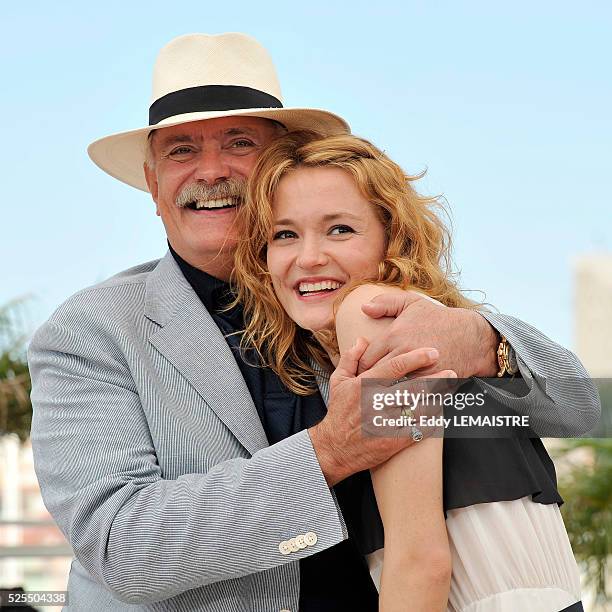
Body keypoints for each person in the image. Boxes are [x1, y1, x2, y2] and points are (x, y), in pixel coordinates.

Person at [27, 33, 599, 610]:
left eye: (239, 142)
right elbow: (123, 547)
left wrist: (482, 342)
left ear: (277, 165)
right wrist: (330, 450)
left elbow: (579, 406)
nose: (211, 171)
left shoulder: (353, 304)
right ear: (154, 185)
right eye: (180, 150)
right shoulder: (90, 331)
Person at [231, 129, 586, 611]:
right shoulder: (392, 334)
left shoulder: (373, 316)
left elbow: (420, 560)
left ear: (390, 237)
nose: (308, 257)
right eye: (285, 234)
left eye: (340, 229)